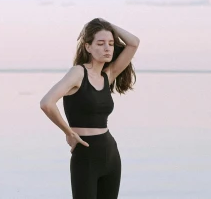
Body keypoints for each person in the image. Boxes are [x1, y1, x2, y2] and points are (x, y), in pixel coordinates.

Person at [40, 18, 138, 199]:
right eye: (100, 43)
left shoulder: (107, 75)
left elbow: (133, 43)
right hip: (85, 154)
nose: (107, 48)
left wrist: (108, 26)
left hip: (110, 153)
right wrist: (68, 132)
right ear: (88, 47)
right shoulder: (78, 73)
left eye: (111, 43)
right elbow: (47, 103)